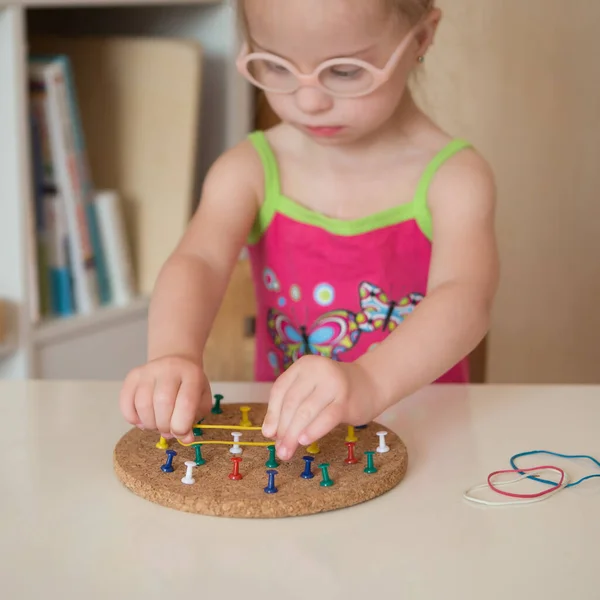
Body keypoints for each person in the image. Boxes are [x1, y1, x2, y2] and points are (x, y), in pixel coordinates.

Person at [119, 0, 499, 461]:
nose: (309, 101)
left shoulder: (455, 177)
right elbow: (198, 261)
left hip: (432, 440)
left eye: (344, 71)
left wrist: (369, 381)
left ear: (420, 38)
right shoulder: (250, 169)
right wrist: (173, 352)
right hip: (297, 449)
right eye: (275, 66)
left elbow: (464, 297)